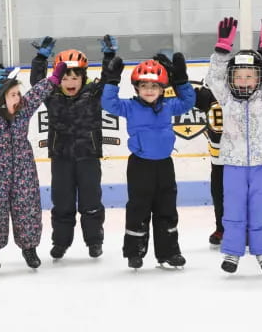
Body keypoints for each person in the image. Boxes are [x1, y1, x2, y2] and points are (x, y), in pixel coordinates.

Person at [0, 62, 67, 271]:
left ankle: (29, 248)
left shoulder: (22, 111)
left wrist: (53, 81)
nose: (18, 98)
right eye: (12, 95)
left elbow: (35, 95)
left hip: (24, 170)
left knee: (28, 208)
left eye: (18, 93)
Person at [205, 17, 262, 273]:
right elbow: (214, 77)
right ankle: (232, 252)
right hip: (234, 163)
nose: (244, 81)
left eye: (250, 76)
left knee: (261, 208)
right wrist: (221, 50)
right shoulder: (226, 98)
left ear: (259, 78)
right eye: (238, 76)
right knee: (234, 208)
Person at [101, 53, 195, 269]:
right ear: (136, 88)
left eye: (154, 86)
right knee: (138, 208)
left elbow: (189, 102)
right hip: (140, 166)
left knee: (167, 209)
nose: (149, 90)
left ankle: (169, 252)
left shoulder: (169, 106)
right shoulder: (130, 107)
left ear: (163, 88)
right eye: (144, 85)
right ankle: (135, 252)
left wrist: (181, 79)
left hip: (164, 165)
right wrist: (112, 81)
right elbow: (108, 103)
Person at [30, 35, 117, 259]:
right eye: (66, 77)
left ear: (83, 77)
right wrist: (40, 58)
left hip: (88, 157)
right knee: (62, 202)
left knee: (91, 202)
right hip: (61, 158)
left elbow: (108, 79)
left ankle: (94, 241)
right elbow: (37, 83)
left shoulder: (93, 94)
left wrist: (109, 56)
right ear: (58, 79)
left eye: (75, 77)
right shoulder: (52, 95)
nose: (70, 82)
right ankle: (60, 242)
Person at [194, 80, 225, 247]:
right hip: (218, 158)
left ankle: (245, 230)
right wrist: (177, 78)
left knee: (240, 197)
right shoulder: (209, 91)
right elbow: (189, 98)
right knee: (218, 194)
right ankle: (222, 228)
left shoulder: (243, 90)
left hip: (241, 159)